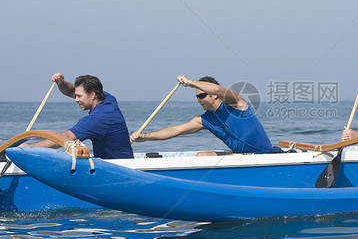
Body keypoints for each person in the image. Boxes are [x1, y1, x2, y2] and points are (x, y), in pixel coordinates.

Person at [130, 75, 274, 155]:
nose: (199, 100)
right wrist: (145, 137)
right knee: (201, 157)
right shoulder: (205, 120)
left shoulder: (236, 103)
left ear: (215, 96)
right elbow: (176, 130)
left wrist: (191, 82)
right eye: (197, 97)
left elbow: (218, 89)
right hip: (242, 157)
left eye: (203, 95)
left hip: (264, 155)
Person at [21, 73, 134, 159]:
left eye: (79, 96)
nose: (75, 99)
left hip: (119, 168)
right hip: (116, 161)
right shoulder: (107, 99)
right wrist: (61, 83)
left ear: (93, 95)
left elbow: (66, 138)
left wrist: (29, 148)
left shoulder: (98, 119)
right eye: (75, 96)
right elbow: (70, 90)